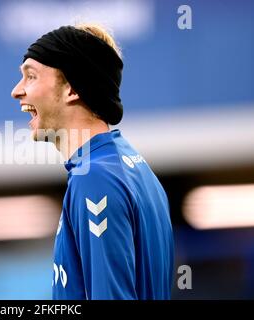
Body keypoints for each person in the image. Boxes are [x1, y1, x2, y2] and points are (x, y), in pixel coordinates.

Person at [11, 23, 174, 300]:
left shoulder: (95, 178)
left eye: (31, 76)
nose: (17, 91)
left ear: (72, 88)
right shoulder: (135, 169)